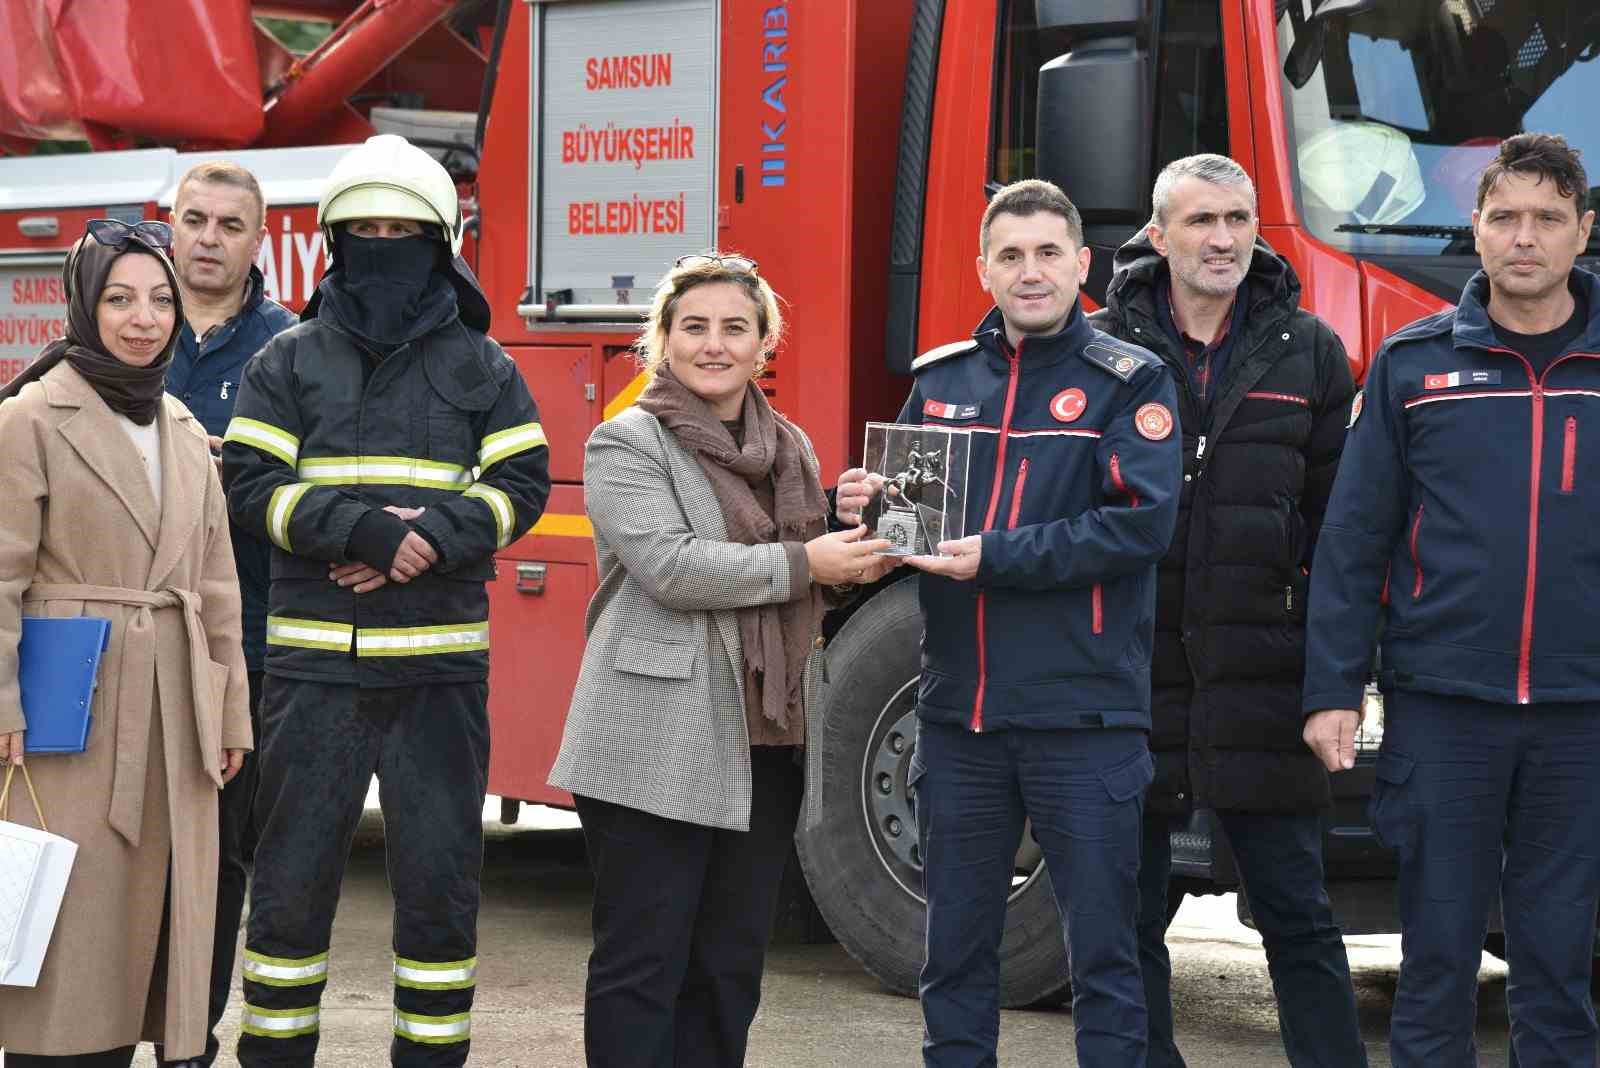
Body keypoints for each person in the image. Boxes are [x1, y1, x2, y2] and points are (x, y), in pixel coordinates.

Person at [222, 134, 550, 1067]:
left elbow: (522, 484)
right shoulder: (287, 361)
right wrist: (361, 532)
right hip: (312, 675)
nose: (382, 243)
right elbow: (247, 484)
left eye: (401, 229)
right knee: (287, 890)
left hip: (438, 680)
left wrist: (429, 544)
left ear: (439, 241)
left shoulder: (483, 367)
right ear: (333, 240)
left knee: (441, 896)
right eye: (363, 229)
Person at [837, 179, 1182, 1066]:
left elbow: (1141, 525)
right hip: (960, 722)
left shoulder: (1130, 381)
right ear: (983, 269)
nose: (1031, 272)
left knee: (1105, 959)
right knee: (952, 959)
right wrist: (866, 501)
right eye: (1011, 255)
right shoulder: (943, 380)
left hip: (1085, 723)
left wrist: (998, 557)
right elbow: (908, 513)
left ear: (1083, 265)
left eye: (1048, 253)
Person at [548, 253, 897, 1068]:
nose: (714, 345)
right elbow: (674, 568)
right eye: (694, 327)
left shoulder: (791, 447)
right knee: (644, 963)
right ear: (662, 341)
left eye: (735, 328)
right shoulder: (623, 442)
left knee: (730, 966)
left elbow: (809, 577)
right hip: (651, 740)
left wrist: (860, 535)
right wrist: (814, 564)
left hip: (765, 741)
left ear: (764, 342)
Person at [1303, 132, 1600, 1067]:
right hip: (1444, 711)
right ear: (1473, 229)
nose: (1525, 238)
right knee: (1434, 968)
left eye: (1548, 219)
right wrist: (1332, 689)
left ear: (1583, 232)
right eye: (1504, 216)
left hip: (1581, 716)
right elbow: (1354, 540)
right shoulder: (1412, 365)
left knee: (1560, 966)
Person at [1089, 153, 1364, 1067]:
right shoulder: (1100, 352)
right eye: (1201, 221)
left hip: (1264, 687)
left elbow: (1340, 535)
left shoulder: (1311, 352)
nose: (1222, 239)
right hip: (1135, 683)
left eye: (1238, 220)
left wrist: (1332, 678)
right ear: (1158, 237)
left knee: (1301, 922)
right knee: (1127, 930)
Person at [0, 220, 251, 1066]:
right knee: (69, 928)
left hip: (174, 711)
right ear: (84, 305)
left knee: (157, 929)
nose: (143, 319)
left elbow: (218, 587)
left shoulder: (182, 427)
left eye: (159, 299)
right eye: (119, 298)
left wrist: (229, 716)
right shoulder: (30, 416)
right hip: (65, 708)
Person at [160, 159, 297, 1068]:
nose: (208, 239)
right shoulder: (124, 327)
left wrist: (240, 482)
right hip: (118, 643)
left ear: (260, 239)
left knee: (216, 863)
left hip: (239, 647)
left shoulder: (292, 349)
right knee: (114, 861)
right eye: (194, 220)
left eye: (229, 225)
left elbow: (327, 489)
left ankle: (188, 1045)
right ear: (170, 224)